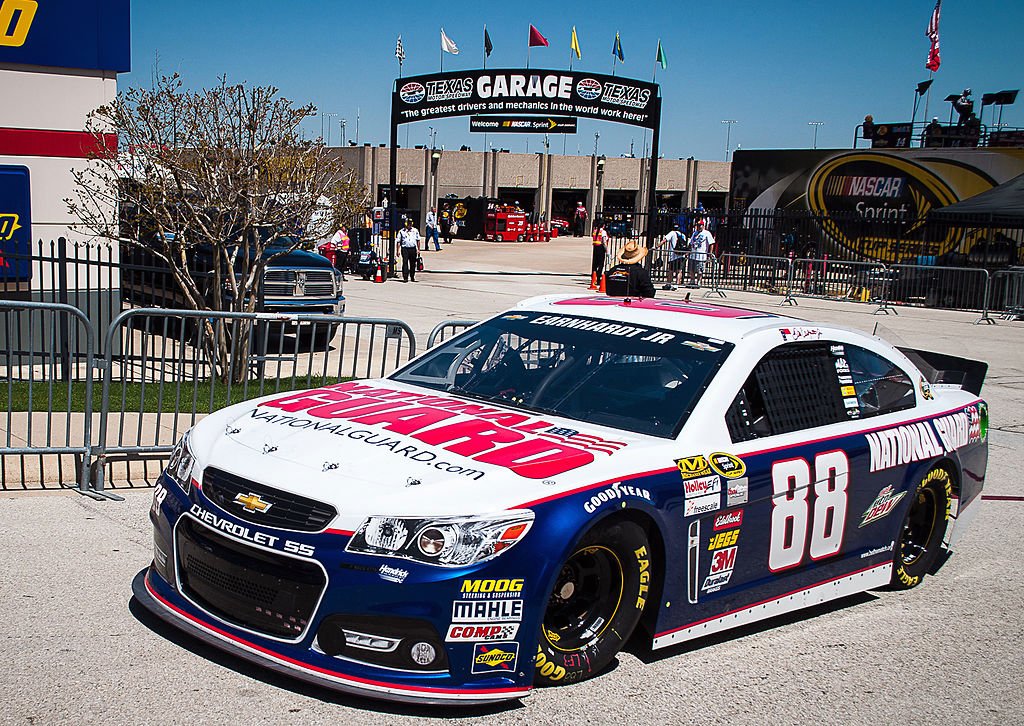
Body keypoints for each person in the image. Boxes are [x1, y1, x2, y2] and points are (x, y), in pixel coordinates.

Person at [687, 218, 714, 288]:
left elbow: (711, 243)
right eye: (698, 225)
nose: (699, 226)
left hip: (701, 255)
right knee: (691, 269)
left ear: (703, 226)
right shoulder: (694, 233)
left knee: (699, 270)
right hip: (693, 254)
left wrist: (710, 253)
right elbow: (690, 243)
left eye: (701, 225)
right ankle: (692, 281)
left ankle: (699, 282)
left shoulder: (707, 233)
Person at [662, 223, 686, 291]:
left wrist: (658, 246)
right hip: (681, 255)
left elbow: (665, 240)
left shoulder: (672, 233)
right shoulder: (682, 235)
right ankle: (676, 285)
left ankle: (669, 284)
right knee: (679, 271)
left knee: (671, 271)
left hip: (673, 255)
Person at [396, 217, 421, 282]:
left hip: (413, 248)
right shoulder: (401, 231)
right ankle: (405, 277)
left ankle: (412, 276)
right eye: (408, 223)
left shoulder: (415, 231)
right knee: (405, 262)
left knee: (413, 263)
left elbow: (418, 240)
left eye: (410, 223)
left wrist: (418, 249)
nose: (409, 225)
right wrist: (398, 250)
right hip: (405, 248)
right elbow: (398, 241)